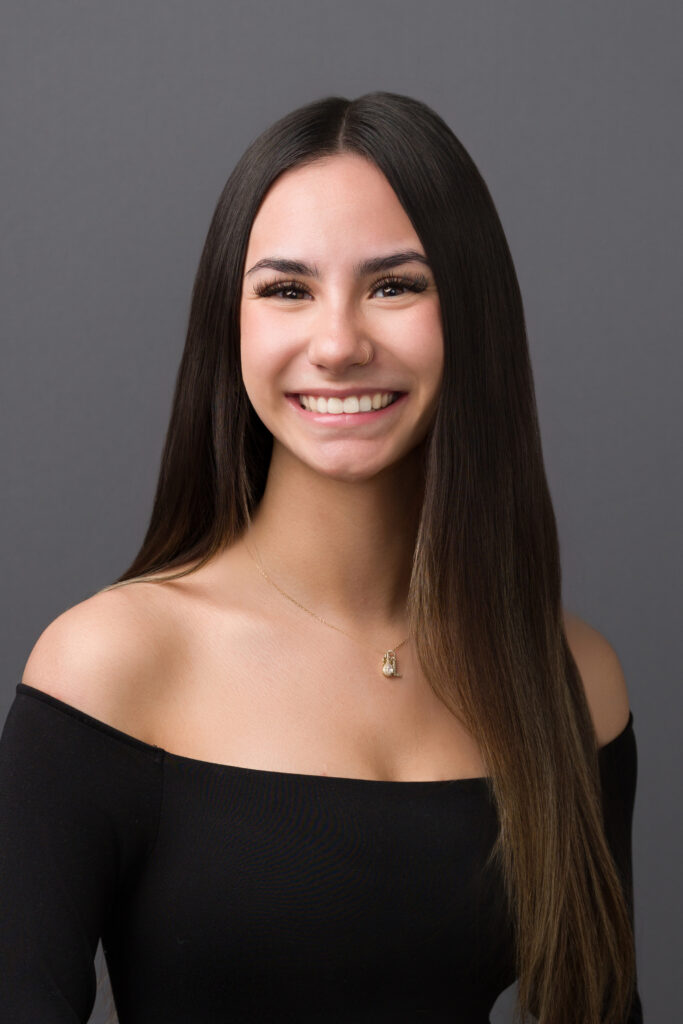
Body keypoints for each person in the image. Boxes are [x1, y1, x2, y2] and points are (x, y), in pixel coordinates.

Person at [0, 91, 643, 1023]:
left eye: (395, 285)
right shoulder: (110, 664)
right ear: (233, 326)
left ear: (472, 314)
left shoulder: (571, 679)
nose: (338, 344)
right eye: (286, 289)